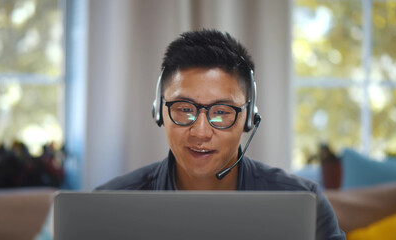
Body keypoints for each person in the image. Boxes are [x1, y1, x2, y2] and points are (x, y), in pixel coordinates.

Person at [96, 29, 346, 240]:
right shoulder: (105, 207)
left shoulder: (305, 204)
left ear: (249, 119)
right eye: (184, 109)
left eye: (221, 112)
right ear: (158, 112)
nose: (201, 132)